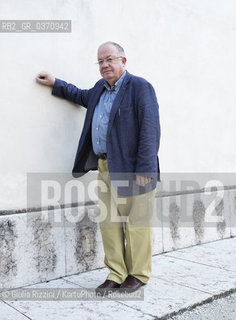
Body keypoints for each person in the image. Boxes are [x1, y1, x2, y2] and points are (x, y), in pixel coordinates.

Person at [36, 41, 160, 295]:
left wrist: (145, 168)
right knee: (110, 223)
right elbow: (80, 95)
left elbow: (150, 128)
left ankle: (138, 274)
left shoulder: (139, 87)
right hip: (104, 167)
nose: (104, 65)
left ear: (123, 61)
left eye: (110, 59)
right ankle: (116, 273)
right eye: (100, 61)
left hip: (134, 169)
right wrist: (55, 83)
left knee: (136, 224)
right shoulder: (99, 89)